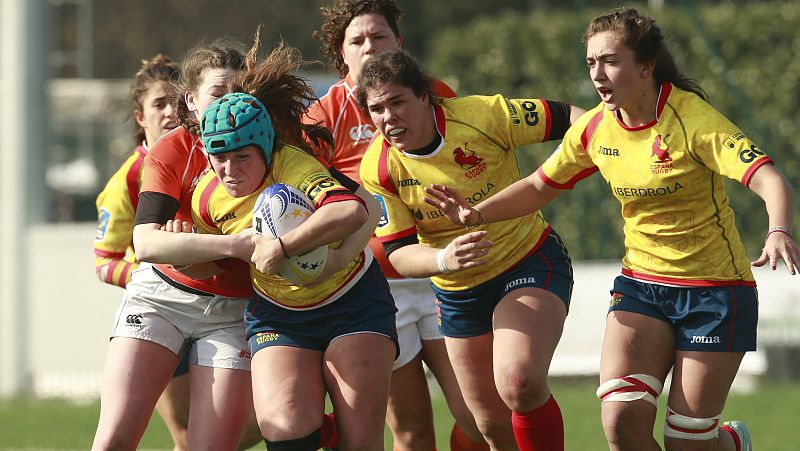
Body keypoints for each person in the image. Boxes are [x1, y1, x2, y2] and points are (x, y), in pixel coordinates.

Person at [425, 8, 799, 451]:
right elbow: (537, 186)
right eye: (590, 63)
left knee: (687, 442)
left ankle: (730, 443)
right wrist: (476, 214)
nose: (598, 74)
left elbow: (767, 177)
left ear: (646, 66)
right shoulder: (595, 128)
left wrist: (778, 230)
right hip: (642, 288)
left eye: (610, 61)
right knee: (620, 421)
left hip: (714, 293)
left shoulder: (692, 119)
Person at [358, 48, 585, 451]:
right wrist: (444, 259)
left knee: (520, 381)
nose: (388, 117)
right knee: (489, 425)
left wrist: (560, 172)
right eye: (377, 109)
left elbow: (575, 119)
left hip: (526, 260)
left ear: (425, 97)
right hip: (458, 291)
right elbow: (398, 253)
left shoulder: (483, 116)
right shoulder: (378, 168)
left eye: (398, 102)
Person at [192, 44, 397, 450]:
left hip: (351, 301)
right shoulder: (206, 197)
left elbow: (351, 212)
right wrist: (189, 246)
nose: (230, 170)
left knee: (360, 441)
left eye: (242, 157)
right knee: (283, 427)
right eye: (219, 158)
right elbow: (210, 268)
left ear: (265, 148)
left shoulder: (294, 165)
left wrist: (283, 247)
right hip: (280, 315)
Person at [307, 2, 486, 450]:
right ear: (341, 55)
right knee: (410, 430)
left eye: (379, 36)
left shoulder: (432, 92)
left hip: (443, 276)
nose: (370, 46)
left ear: (398, 44)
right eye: (357, 40)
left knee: (479, 417)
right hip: (374, 292)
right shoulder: (320, 119)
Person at [91, 39, 260, 451]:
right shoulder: (170, 150)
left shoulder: (273, 149)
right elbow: (145, 244)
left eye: (240, 94)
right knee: (114, 438)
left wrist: (191, 247)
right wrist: (231, 246)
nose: (229, 105)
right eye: (219, 94)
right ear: (193, 101)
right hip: (160, 297)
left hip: (232, 311)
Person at [93, 54, 195, 451]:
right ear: (140, 117)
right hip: (162, 313)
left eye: (176, 100)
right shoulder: (127, 180)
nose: (170, 112)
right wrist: (149, 270)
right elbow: (103, 261)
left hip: (219, 304)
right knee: (187, 436)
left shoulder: (210, 155)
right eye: (158, 104)